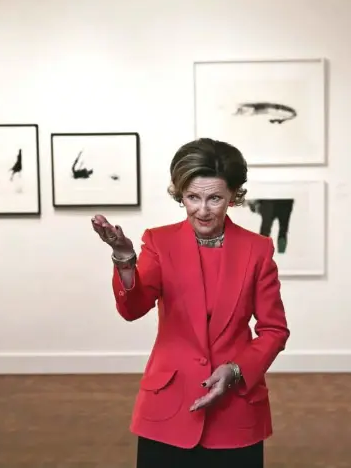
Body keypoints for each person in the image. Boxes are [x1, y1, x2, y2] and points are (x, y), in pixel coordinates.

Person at [91, 138, 290, 468]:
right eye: (192, 197)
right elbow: (132, 309)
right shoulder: (159, 241)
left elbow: (274, 330)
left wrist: (237, 369)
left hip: (235, 409)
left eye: (215, 198)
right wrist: (125, 258)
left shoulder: (258, 249)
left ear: (233, 196)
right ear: (180, 194)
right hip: (168, 407)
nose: (202, 210)